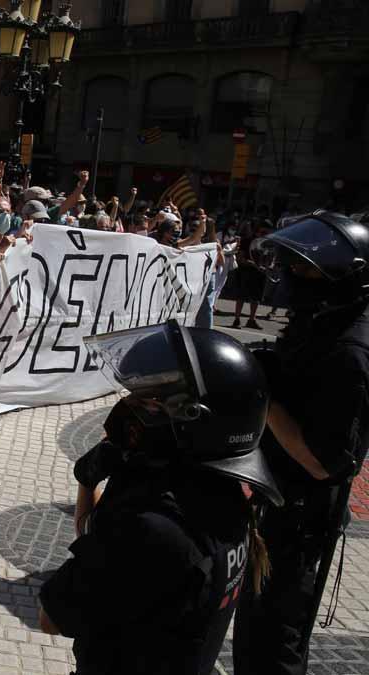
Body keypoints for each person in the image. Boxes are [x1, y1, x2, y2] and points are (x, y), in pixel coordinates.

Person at [39, 319, 282, 675]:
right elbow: (105, 554)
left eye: (151, 401)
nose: (132, 404)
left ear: (193, 420)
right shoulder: (225, 498)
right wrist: (91, 483)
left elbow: (51, 618)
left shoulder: (154, 529)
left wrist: (92, 481)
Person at [232, 211, 369, 675]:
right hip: (276, 506)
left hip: (300, 521)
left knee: (274, 643)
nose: (293, 275)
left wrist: (266, 397)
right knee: (253, 632)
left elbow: (322, 462)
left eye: (306, 268)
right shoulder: (322, 323)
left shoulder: (349, 352)